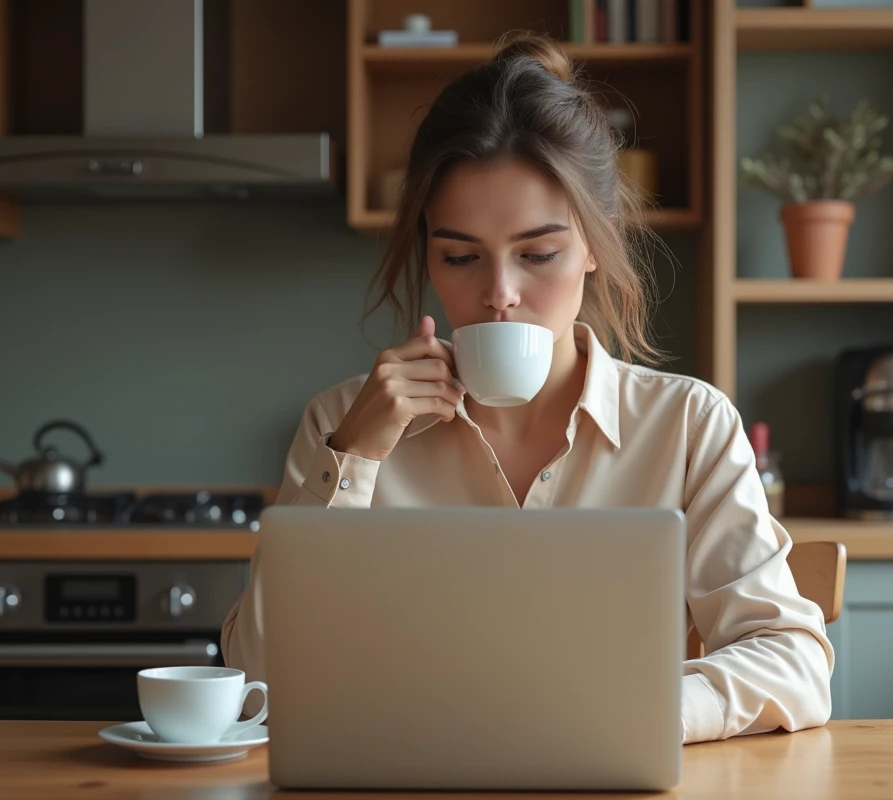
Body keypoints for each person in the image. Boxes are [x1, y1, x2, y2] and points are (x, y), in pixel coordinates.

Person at [221, 34, 833, 744]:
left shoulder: (689, 427)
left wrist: (626, 711)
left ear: (596, 249)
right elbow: (259, 681)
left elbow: (792, 663)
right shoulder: (341, 422)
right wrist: (351, 460)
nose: (499, 294)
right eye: (459, 256)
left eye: (538, 253)